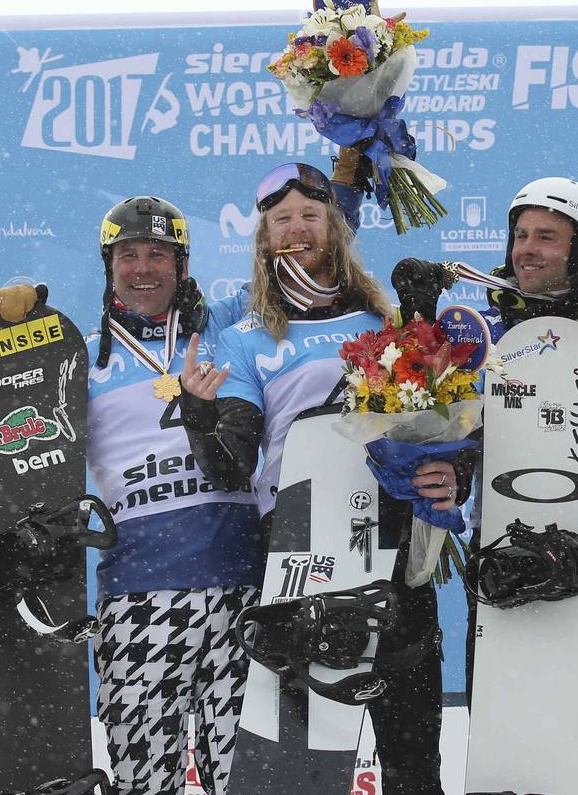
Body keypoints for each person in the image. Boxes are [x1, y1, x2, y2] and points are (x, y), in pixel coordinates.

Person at [179, 163, 456, 795]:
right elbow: (233, 465)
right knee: (302, 764)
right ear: (264, 237)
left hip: (388, 531)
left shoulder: (381, 322)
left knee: (413, 755)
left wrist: (424, 324)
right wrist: (197, 414)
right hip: (299, 543)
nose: (298, 228)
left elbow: (431, 427)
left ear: (334, 227)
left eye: (310, 215)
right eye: (282, 219)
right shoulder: (247, 340)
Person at [0, 195, 258, 794]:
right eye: (127, 254)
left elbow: (302, 266)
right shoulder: (75, 359)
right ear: (108, 267)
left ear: (182, 265)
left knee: (244, 781)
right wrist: (2, 338)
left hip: (242, 586)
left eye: (157, 253)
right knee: (144, 782)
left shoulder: (229, 327)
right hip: (138, 595)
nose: (142, 268)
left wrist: (348, 169)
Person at [396, 177, 578, 795]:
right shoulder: (477, 333)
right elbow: (450, 429)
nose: (527, 249)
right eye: (520, 235)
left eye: (547, 236)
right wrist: (417, 320)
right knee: (507, 741)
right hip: (506, 549)